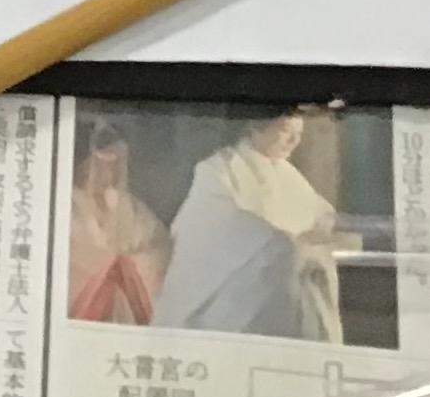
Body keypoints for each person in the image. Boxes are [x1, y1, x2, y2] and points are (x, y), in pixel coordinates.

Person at [151, 113, 349, 341]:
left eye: (299, 134)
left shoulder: (288, 175)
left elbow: (320, 214)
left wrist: (318, 236)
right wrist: (278, 243)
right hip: (231, 288)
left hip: (285, 288)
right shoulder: (218, 169)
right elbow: (217, 221)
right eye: (286, 131)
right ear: (256, 125)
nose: (294, 141)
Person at [64, 122, 174, 326]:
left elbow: (157, 248)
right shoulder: (66, 206)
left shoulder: (129, 206)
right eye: (101, 164)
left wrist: (127, 267)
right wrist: (104, 267)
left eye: (115, 164)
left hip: (128, 312)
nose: (108, 172)